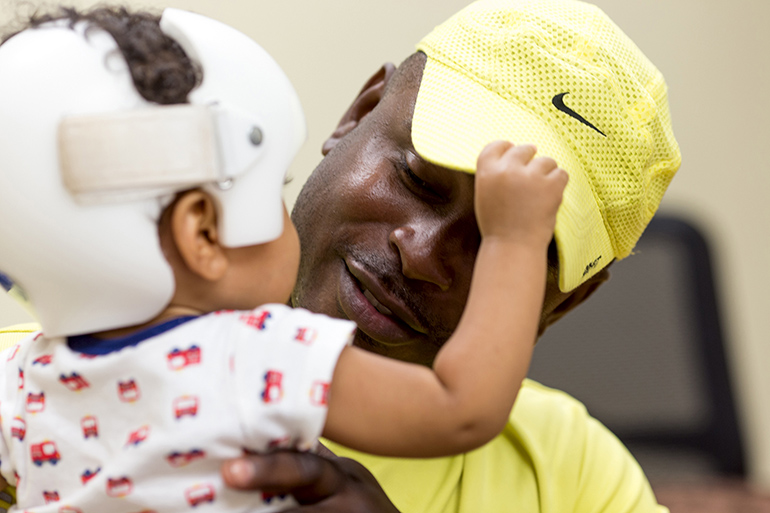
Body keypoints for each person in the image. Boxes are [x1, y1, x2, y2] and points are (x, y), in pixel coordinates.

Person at [0, 0, 681, 511]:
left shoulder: (576, 474)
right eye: (415, 177)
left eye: (491, 239)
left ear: (565, 301)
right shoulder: (254, 353)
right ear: (358, 111)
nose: (420, 254)